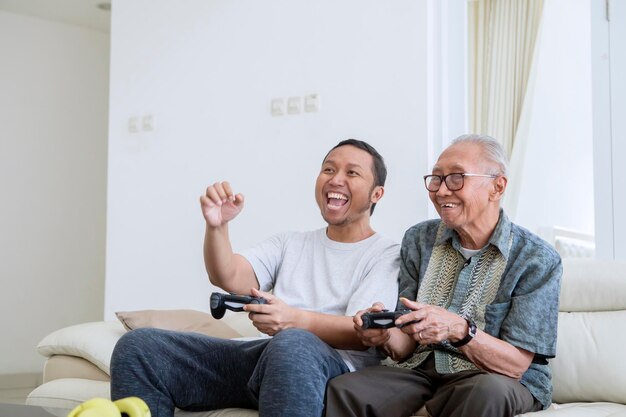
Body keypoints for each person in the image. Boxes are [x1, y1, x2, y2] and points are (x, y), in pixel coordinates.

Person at [109, 139, 400, 417]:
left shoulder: (386, 253)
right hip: (268, 358)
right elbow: (229, 276)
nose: (336, 179)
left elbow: (360, 334)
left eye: (352, 173)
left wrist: (292, 321)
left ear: (377, 194)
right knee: (139, 347)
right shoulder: (291, 243)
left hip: (329, 367)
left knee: (293, 343)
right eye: (328, 169)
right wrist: (218, 226)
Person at [325, 134, 562, 417]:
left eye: (456, 178)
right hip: (420, 369)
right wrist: (385, 334)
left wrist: (461, 330)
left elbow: (515, 365)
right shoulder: (419, 239)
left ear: (497, 187)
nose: (441, 191)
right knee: (345, 388)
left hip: (495, 377)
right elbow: (405, 346)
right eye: (436, 178)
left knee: (485, 393)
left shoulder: (536, 259)